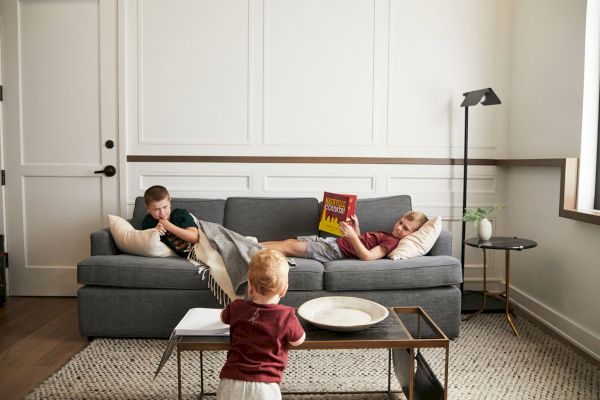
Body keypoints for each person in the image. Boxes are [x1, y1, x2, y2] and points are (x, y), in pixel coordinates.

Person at [217, 249, 306, 400]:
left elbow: (222, 317)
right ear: (284, 290)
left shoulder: (236, 307)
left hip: (230, 382)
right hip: (264, 387)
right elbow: (298, 340)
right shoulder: (286, 315)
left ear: (250, 286)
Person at [261, 210, 428, 263]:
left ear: (413, 234)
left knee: (288, 248)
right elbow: (364, 243)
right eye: (400, 222)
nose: (399, 228)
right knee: (288, 242)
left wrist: (352, 237)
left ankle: (249, 247)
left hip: (334, 251)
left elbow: (368, 256)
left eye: (405, 228)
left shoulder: (392, 242)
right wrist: (356, 230)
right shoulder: (387, 234)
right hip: (332, 242)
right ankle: (253, 243)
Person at [141, 185, 199, 257]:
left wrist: (168, 226)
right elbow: (145, 245)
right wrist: (154, 233)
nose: (162, 213)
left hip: (201, 247)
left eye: (165, 207)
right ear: (148, 209)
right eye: (156, 209)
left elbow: (195, 238)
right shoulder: (149, 222)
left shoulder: (180, 214)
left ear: (170, 202)